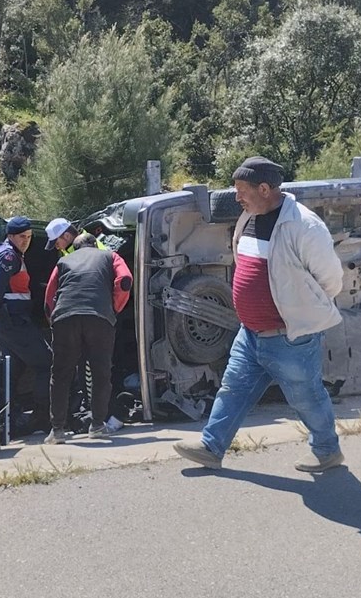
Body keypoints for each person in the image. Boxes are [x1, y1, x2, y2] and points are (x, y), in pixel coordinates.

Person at [173, 156, 345, 472]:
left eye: (241, 191)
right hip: (250, 333)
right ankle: (212, 447)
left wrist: (300, 313)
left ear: (264, 189)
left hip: (289, 337)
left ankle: (326, 450)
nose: (236, 197)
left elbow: (331, 280)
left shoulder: (304, 226)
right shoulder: (249, 217)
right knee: (233, 389)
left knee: (306, 398)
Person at [42, 233, 132, 443]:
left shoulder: (62, 261)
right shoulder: (110, 256)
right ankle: (98, 426)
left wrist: (53, 318)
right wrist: (114, 308)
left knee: (61, 375)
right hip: (99, 318)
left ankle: (57, 431)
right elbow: (125, 280)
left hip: (65, 318)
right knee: (101, 373)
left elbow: (49, 296)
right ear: (94, 244)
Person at [0, 217, 51, 436]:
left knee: (13, 372)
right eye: (21, 237)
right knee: (46, 363)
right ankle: (41, 418)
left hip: (11, 321)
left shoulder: (9, 252)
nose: (26, 241)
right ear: (11, 236)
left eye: (29, 237)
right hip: (14, 320)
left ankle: (8, 421)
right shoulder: (9, 255)